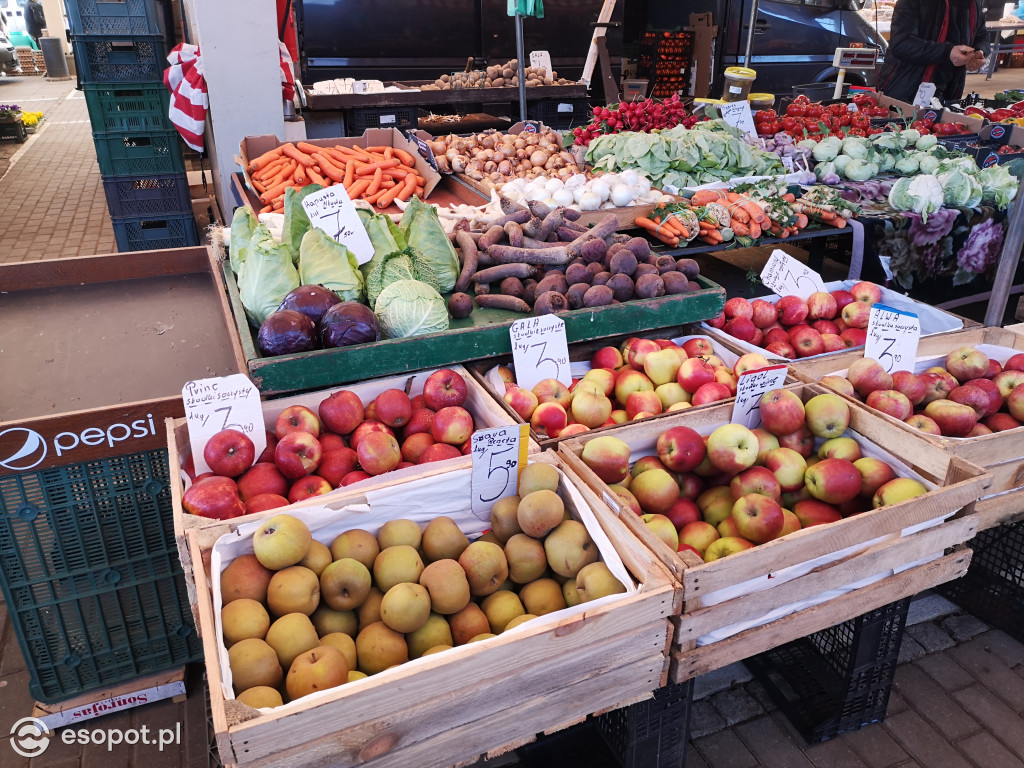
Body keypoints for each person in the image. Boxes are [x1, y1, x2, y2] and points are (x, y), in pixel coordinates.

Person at [876, 0, 989, 104]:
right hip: (907, 87)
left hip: (950, 88)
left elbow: (982, 34)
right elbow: (901, 44)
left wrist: (980, 51)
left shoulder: (973, 2)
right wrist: (947, 52)